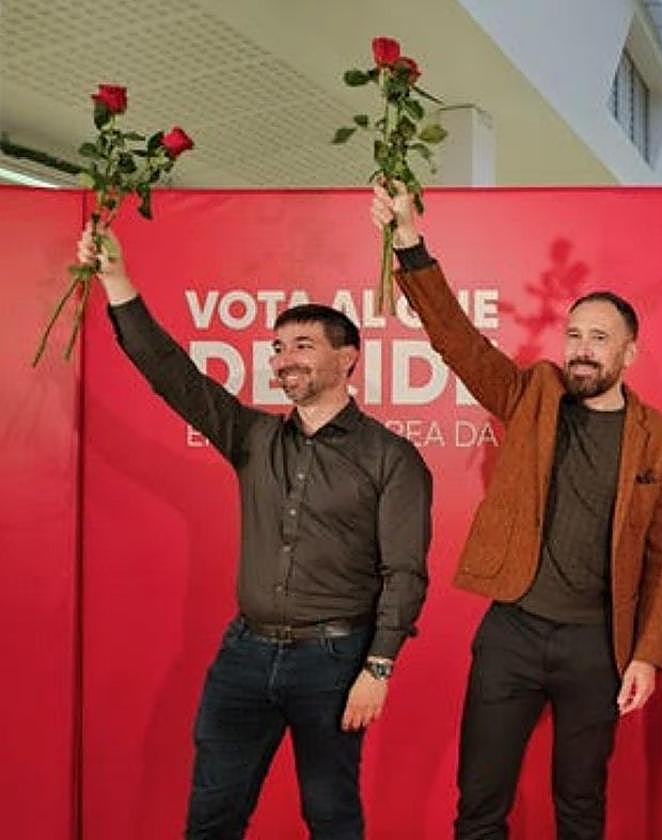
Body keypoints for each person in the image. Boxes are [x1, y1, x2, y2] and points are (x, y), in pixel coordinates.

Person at [78, 224, 433, 839]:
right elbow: (173, 376)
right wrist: (115, 280)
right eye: (276, 348)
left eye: (300, 346)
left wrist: (378, 667)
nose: (282, 359)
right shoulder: (253, 436)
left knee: (331, 815)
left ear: (345, 359)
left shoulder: (391, 458)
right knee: (214, 812)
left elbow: (404, 571)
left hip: (336, 659)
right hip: (244, 654)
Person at [371, 183, 662, 840]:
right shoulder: (533, 394)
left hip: (597, 645)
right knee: (480, 802)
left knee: (581, 807)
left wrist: (646, 656)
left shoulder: (661, 437)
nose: (582, 349)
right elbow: (458, 342)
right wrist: (407, 241)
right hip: (511, 633)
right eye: (574, 334)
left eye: (600, 338)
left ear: (630, 352)